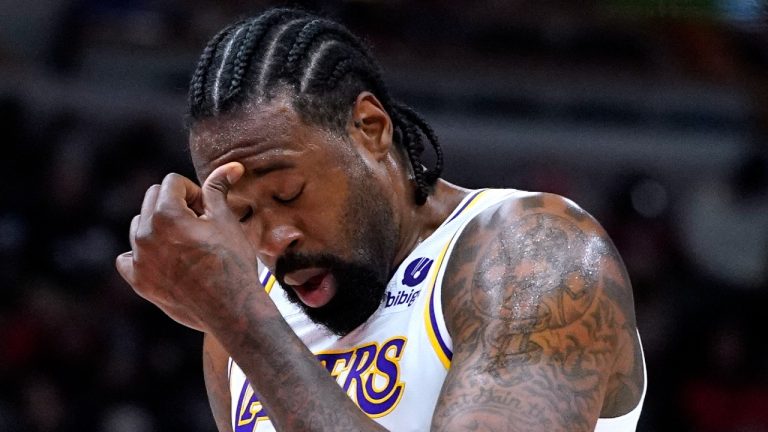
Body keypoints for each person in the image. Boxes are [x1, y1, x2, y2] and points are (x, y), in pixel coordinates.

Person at [115, 7, 646, 432]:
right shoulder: (248, 322)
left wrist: (240, 321)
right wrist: (238, 322)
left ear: (370, 128)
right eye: (244, 214)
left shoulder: (531, 249)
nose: (276, 240)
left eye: (289, 193)